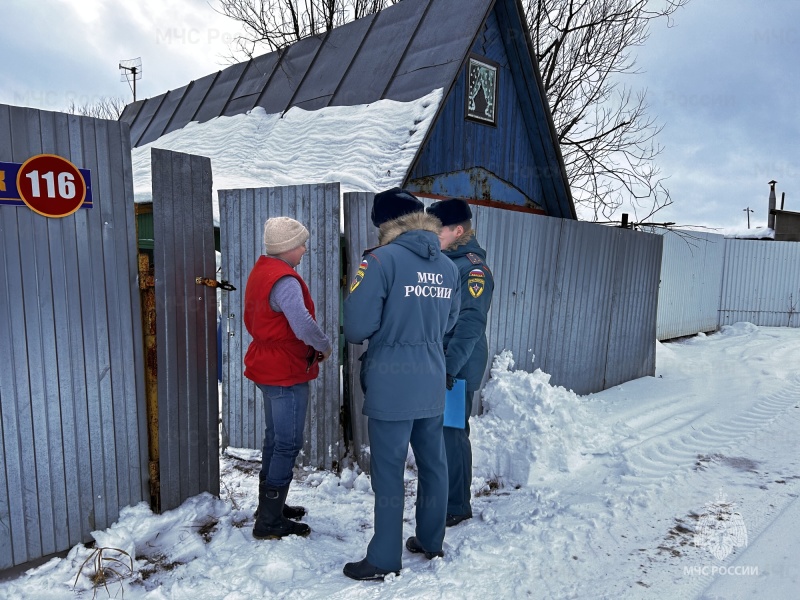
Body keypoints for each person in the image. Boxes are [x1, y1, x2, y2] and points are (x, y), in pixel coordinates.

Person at [342, 188, 460, 581]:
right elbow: (448, 324)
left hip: (392, 380)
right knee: (433, 463)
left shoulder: (379, 261)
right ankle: (431, 539)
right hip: (430, 375)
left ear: (384, 224)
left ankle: (383, 557)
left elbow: (357, 327)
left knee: (389, 471)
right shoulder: (447, 266)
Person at [243, 216, 332, 540]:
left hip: (268, 365)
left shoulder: (262, 271)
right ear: (286, 248)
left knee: (274, 439)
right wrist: (323, 345)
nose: (304, 249)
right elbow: (303, 324)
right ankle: (268, 522)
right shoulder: (285, 281)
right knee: (287, 443)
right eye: (300, 244)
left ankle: (269, 508)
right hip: (284, 371)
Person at [426, 198, 494, 528]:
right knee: (439, 433)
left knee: (452, 433)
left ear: (457, 230)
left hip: (458, 365)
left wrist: (449, 367)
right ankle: (445, 496)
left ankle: (457, 505)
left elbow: (470, 324)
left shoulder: (473, 270)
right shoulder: (442, 262)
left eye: (435, 229)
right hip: (441, 362)